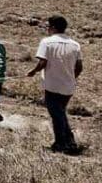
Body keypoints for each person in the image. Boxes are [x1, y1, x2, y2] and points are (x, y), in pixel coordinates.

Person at [27, 16, 84, 155]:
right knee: (60, 113)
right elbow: (80, 67)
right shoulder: (75, 45)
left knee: (57, 115)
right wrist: (71, 78)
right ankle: (69, 141)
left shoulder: (46, 42)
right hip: (68, 87)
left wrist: (33, 71)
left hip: (52, 85)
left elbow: (42, 63)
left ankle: (62, 143)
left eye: (48, 26)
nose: (47, 29)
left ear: (52, 27)